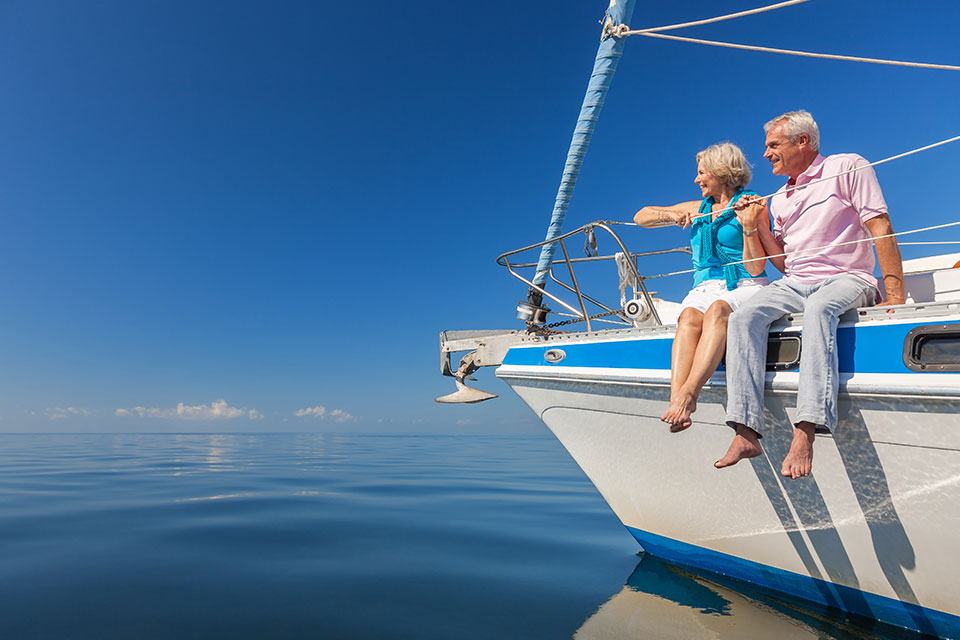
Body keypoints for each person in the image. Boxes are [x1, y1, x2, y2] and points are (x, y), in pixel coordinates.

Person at [716, 110, 905, 478]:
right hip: (797, 281)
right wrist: (755, 224)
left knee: (819, 309)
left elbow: (880, 225)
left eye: (774, 145)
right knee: (743, 318)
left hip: (849, 277)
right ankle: (746, 430)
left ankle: (805, 432)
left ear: (802, 142)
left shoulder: (847, 165)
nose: (767, 153)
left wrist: (895, 296)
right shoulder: (781, 198)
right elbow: (783, 265)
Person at [634, 142, 770, 432]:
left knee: (718, 311)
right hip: (705, 284)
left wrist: (747, 222)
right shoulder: (698, 208)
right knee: (688, 318)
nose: (697, 180)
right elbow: (641, 216)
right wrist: (670, 216)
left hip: (745, 281)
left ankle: (689, 394)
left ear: (721, 172)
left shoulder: (752, 204)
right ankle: (676, 403)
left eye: (702, 173)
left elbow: (758, 265)